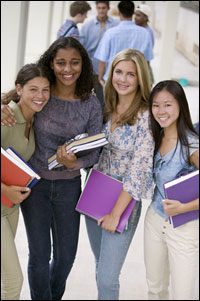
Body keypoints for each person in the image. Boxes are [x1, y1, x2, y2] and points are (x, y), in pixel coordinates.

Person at [1, 37, 103, 300]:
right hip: (35, 186)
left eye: (74, 62)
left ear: (83, 64)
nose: (67, 69)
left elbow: (96, 150)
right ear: (51, 63)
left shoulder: (89, 103)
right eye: (60, 63)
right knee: (39, 256)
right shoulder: (41, 95)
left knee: (66, 256)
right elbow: (15, 99)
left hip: (69, 186)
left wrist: (77, 163)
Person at [85, 48, 154, 300]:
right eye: (119, 71)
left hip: (122, 202)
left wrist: (115, 213)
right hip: (94, 193)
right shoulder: (104, 107)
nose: (123, 79)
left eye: (131, 75)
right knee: (99, 266)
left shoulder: (146, 116)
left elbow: (140, 170)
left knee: (107, 278)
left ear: (140, 79)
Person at [144, 80, 199, 300]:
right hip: (155, 221)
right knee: (155, 289)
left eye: (167, 104)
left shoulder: (191, 145)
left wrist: (184, 207)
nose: (161, 111)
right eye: (156, 105)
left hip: (185, 228)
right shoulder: (154, 138)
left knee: (183, 294)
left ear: (180, 105)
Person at [1, 63, 51, 300]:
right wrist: (5, 190)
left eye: (45, 89)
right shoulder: (6, 117)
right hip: (3, 201)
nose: (40, 96)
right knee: (13, 280)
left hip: (9, 209)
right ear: (19, 89)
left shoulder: (35, 121)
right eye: (33, 89)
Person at [94, 1, 153, 88]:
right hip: (135, 81)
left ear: (119, 13)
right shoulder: (145, 33)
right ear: (133, 13)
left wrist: (100, 79)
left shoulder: (110, 33)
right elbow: (147, 61)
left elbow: (102, 60)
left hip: (113, 80)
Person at [80, 1, 119, 109]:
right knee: (88, 97)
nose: (101, 10)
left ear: (108, 8)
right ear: (96, 8)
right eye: (99, 8)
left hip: (108, 69)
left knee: (104, 99)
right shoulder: (87, 26)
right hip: (91, 68)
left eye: (103, 8)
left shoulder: (116, 25)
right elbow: (81, 48)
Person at [134, 3, 155, 86]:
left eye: (138, 15)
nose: (135, 17)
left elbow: (147, 57)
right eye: (135, 14)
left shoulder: (148, 33)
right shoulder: (138, 29)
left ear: (146, 17)